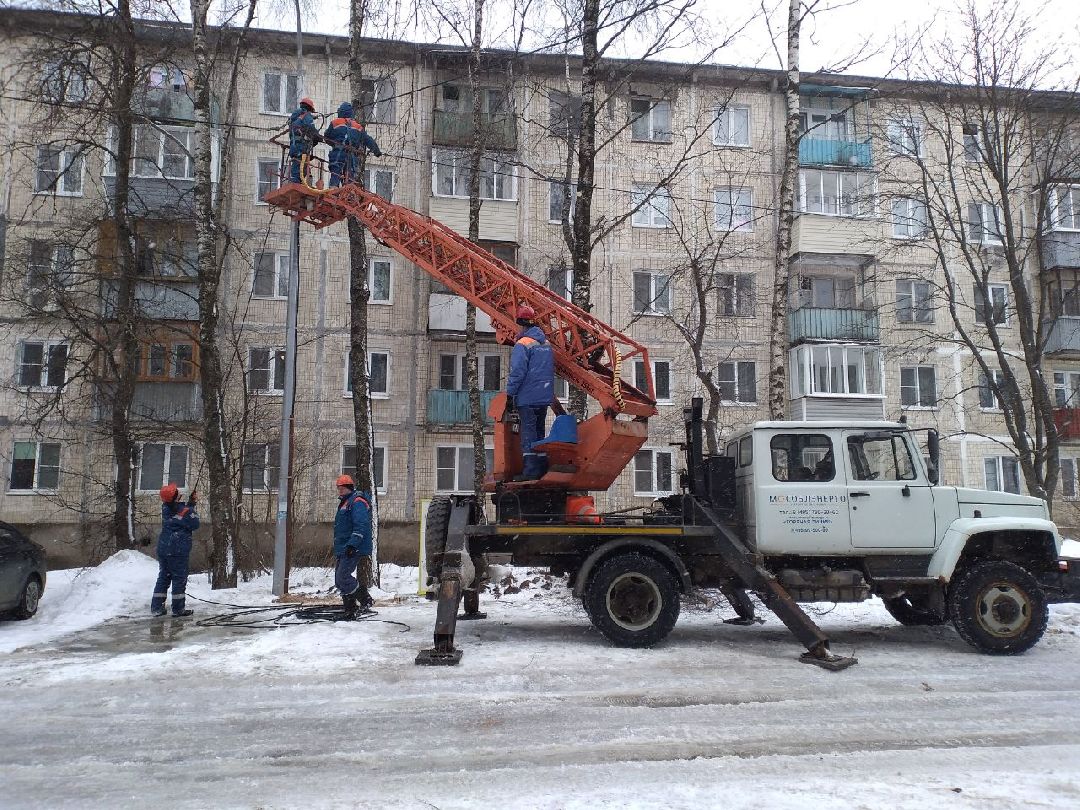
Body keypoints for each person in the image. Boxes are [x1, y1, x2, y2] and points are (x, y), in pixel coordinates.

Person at [505, 304, 555, 480]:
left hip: (527, 397)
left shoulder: (523, 344)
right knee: (540, 432)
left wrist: (509, 394)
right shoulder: (546, 343)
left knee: (528, 432)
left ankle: (531, 471)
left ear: (521, 324)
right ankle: (541, 468)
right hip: (544, 396)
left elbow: (517, 372)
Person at [150, 483, 200, 617]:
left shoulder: (165, 508)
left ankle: (156, 607)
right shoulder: (185, 511)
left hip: (164, 547)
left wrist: (189, 504)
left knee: (164, 577)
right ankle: (178, 609)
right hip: (178, 549)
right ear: (176, 496)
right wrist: (192, 506)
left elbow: (180, 514)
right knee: (179, 578)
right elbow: (195, 524)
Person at [333, 474, 373, 618]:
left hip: (352, 547)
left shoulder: (357, 502)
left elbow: (360, 525)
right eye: (339, 488)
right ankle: (350, 609)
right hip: (343, 546)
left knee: (343, 577)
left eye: (342, 488)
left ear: (349, 487)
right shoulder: (346, 502)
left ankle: (364, 599)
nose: (340, 491)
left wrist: (352, 544)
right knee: (339, 580)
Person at [324, 103, 382, 188]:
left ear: (340, 112)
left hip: (338, 153)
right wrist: (376, 151)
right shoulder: (358, 126)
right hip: (351, 156)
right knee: (350, 175)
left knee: (336, 172)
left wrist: (334, 144)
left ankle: (333, 191)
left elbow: (327, 137)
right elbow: (368, 140)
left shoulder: (335, 123)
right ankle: (349, 194)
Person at [287, 97, 321, 183]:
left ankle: (296, 181)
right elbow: (311, 128)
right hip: (301, 146)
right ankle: (296, 182)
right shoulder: (306, 115)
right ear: (309, 108)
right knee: (301, 167)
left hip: (294, 146)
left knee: (298, 166)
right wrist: (318, 137)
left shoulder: (294, 117)